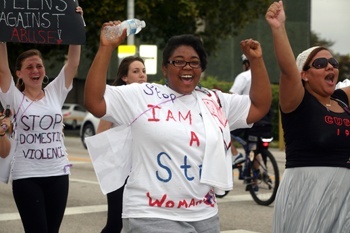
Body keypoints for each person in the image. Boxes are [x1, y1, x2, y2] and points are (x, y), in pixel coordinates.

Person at [84, 20, 271, 233]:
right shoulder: (141, 95)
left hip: (205, 215)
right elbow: (94, 101)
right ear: (165, 68)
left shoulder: (214, 100)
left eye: (194, 62)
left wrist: (256, 61)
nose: (187, 68)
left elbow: (259, 105)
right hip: (150, 215)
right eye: (179, 62)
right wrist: (106, 48)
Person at [266, 2, 350, 233]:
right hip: (307, 194)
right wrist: (278, 27)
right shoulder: (297, 102)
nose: (329, 67)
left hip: (344, 197)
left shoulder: (342, 100)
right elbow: (287, 70)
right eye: (320, 64)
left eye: (333, 63)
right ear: (304, 74)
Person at [0, 7, 83, 233]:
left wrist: (76, 23)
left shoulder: (56, 91)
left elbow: (73, 63)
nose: (35, 70)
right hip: (27, 176)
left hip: (59, 173)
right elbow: (1, 68)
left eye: (39, 65)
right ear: (19, 73)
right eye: (29, 67)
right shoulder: (13, 97)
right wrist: (2, 29)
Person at [97, 56, 147, 233]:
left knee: (144, 222)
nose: (142, 75)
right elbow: (101, 135)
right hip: (120, 171)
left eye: (143, 71)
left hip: (145, 171)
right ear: (124, 77)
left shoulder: (152, 100)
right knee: (116, 223)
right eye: (136, 71)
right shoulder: (116, 99)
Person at [229, 55, 273, 177]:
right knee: (254, 147)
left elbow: (232, 96)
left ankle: (236, 155)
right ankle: (256, 176)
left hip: (248, 117)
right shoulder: (264, 78)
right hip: (264, 119)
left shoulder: (243, 76)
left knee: (223, 132)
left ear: (246, 64)